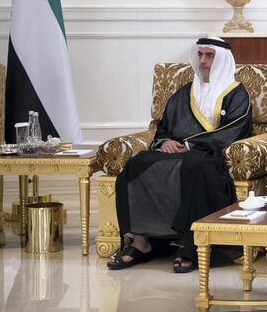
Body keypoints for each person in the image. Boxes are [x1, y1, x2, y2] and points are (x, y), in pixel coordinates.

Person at [107, 37, 252, 273]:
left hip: (207, 152)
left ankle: (191, 246)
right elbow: (164, 125)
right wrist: (165, 142)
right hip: (175, 151)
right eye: (201, 55)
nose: (203, 61)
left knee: (196, 167)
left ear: (222, 59)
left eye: (209, 55)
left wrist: (189, 144)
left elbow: (233, 129)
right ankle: (140, 242)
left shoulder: (237, 94)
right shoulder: (184, 92)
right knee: (137, 163)